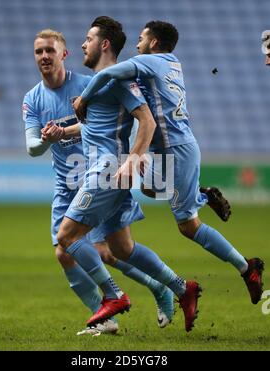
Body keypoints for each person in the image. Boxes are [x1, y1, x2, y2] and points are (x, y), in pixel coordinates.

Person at [73, 20, 264, 306]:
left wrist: (83, 98)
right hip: (164, 151)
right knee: (150, 189)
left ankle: (247, 268)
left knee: (188, 227)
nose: (136, 45)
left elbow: (111, 71)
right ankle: (200, 194)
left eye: (141, 38)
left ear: (153, 43)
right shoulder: (172, 63)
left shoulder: (151, 62)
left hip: (176, 149)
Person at [53, 16, 202, 332]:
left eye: (89, 38)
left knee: (65, 238)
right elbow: (98, 126)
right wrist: (63, 132)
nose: (83, 44)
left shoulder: (119, 80)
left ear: (104, 44)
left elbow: (146, 120)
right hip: (111, 169)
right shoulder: (103, 83)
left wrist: (135, 159)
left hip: (107, 169)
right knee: (120, 249)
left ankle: (113, 295)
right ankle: (179, 288)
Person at [23, 29, 174, 336]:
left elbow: (115, 122)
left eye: (50, 50)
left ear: (63, 54)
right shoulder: (32, 99)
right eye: (39, 52)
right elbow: (32, 148)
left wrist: (134, 157)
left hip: (98, 175)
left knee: (113, 250)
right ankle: (105, 315)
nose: (44, 57)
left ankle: (155, 289)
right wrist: (47, 139)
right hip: (66, 183)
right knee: (67, 252)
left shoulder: (90, 84)